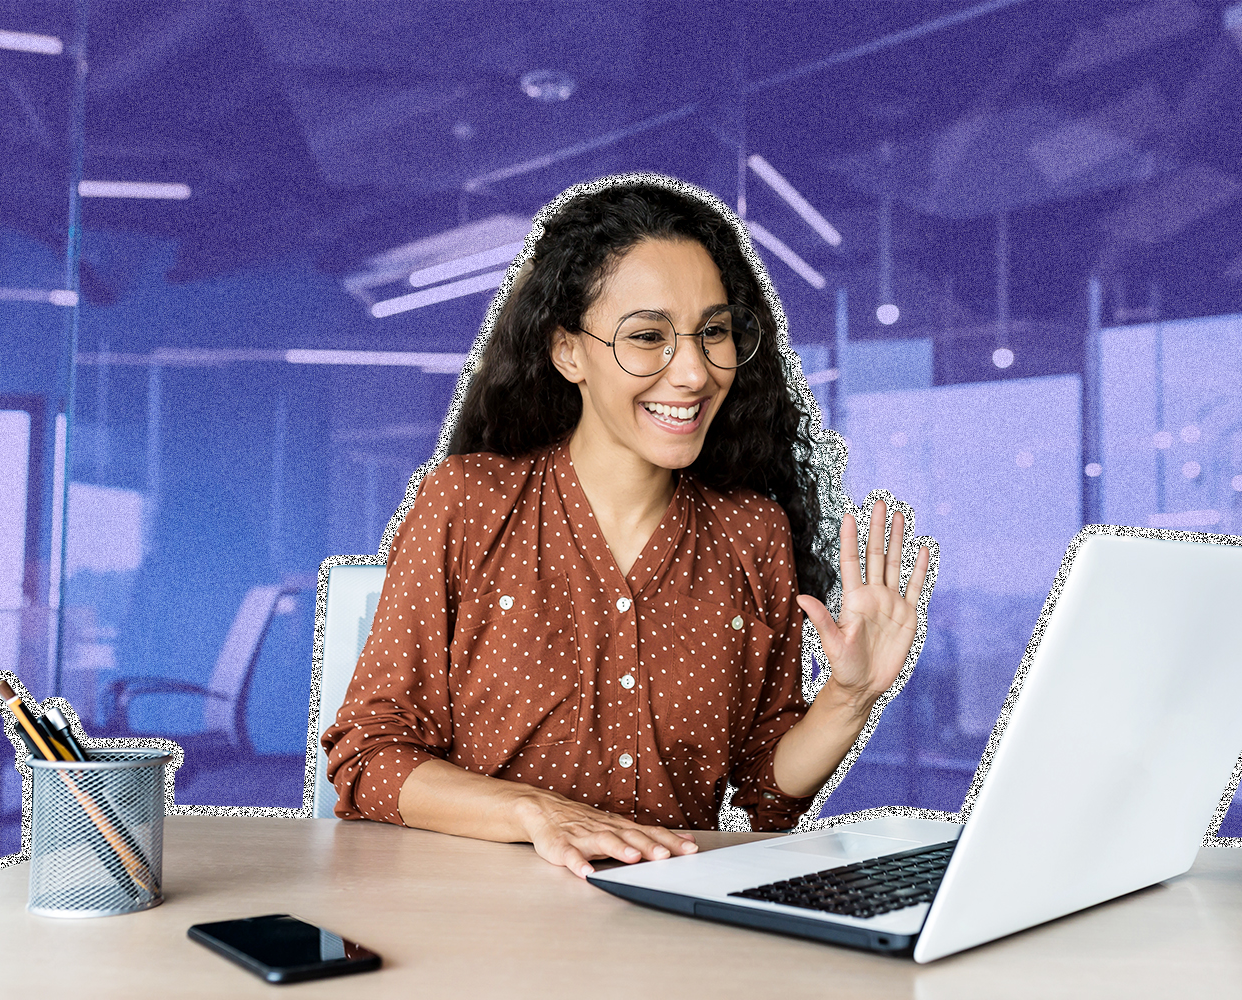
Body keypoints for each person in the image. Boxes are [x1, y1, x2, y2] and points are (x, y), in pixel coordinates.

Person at [322, 174, 928, 879]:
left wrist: (850, 698)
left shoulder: (752, 533)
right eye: (648, 337)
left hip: (668, 926)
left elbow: (768, 788)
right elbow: (369, 755)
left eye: (714, 333)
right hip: (477, 922)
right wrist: (531, 813)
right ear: (568, 352)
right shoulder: (466, 502)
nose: (694, 373)